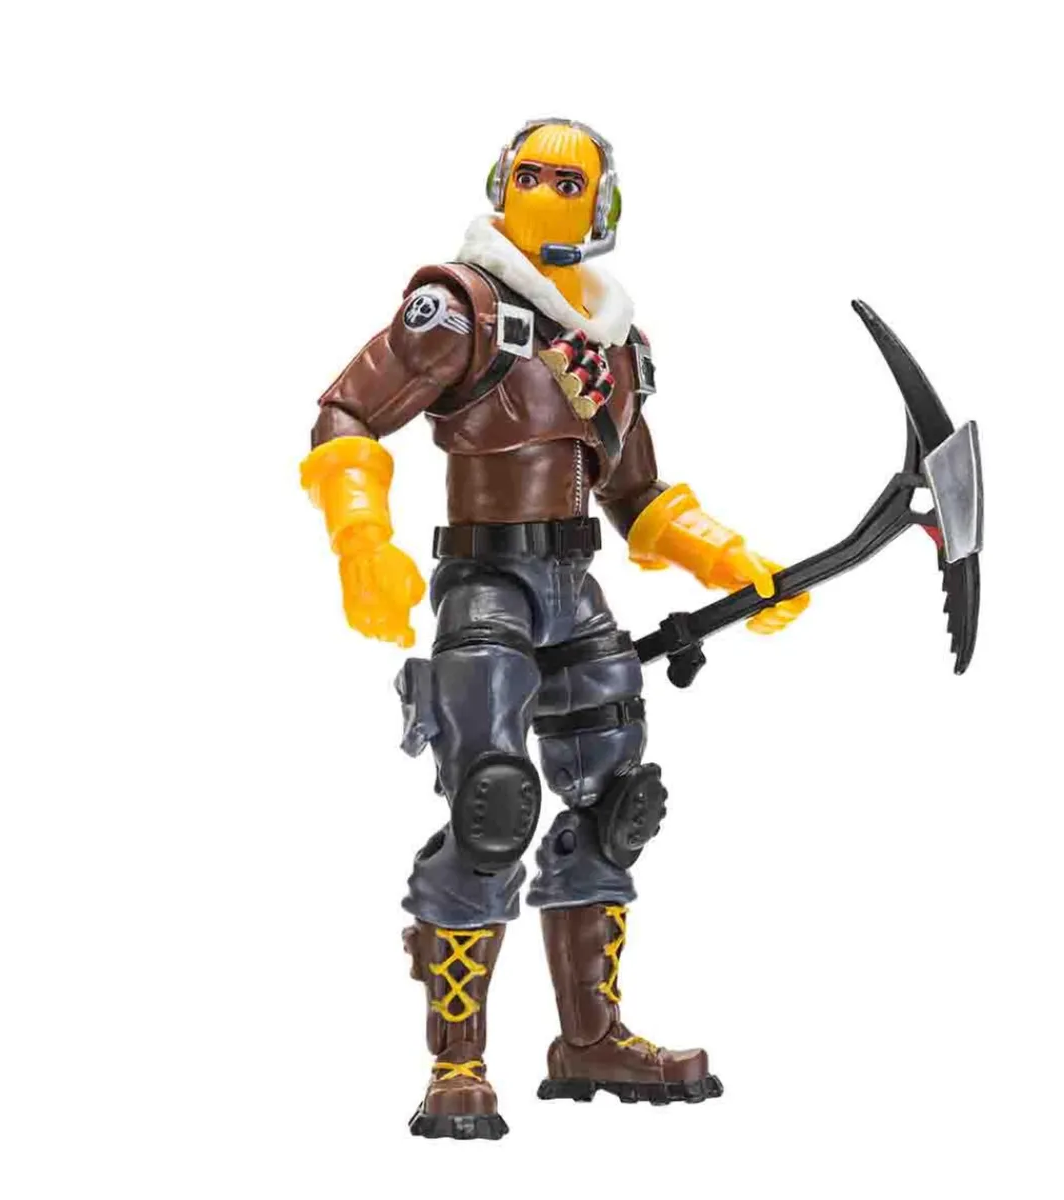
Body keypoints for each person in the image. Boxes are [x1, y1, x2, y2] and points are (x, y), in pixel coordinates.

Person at [300, 118, 808, 1140]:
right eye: (527, 175)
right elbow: (347, 413)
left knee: (616, 806)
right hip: (486, 581)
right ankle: (457, 1066)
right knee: (491, 808)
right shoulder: (462, 308)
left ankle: (591, 1042)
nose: (542, 193)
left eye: (566, 181)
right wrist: (361, 541)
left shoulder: (614, 342)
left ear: (603, 205)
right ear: (499, 186)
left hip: (576, 588)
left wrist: (727, 559)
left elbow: (638, 492)